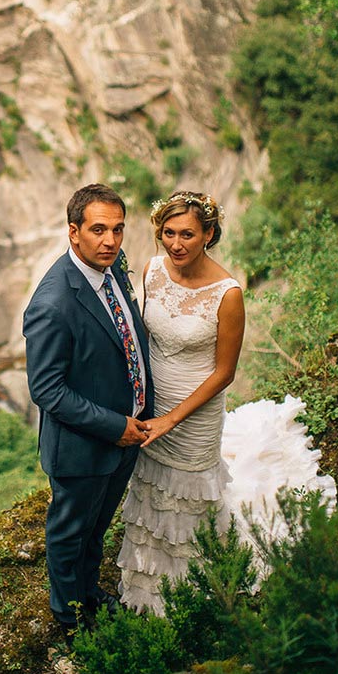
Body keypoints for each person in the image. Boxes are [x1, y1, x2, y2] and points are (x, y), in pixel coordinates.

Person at [23, 184, 155, 642]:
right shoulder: (52, 303)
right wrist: (114, 425)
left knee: (96, 528)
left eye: (118, 230)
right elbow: (46, 389)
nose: (110, 240)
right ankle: (71, 620)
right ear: (73, 232)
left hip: (125, 435)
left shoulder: (111, 268)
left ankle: (90, 595)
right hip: (85, 445)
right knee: (70, 533)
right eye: (98, 230)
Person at [117, 190, 245, 614]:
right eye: (168, 233)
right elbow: (144, 337)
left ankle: (190, 591)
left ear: (209, 233)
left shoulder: (228, 294)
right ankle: (146, 589)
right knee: (151, 490)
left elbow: (224, 372)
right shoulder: (153, 270)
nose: (176, 244)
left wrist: (173, 418)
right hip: (154, 402)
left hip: (195, 411)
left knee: (187, 497)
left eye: (187, 234)